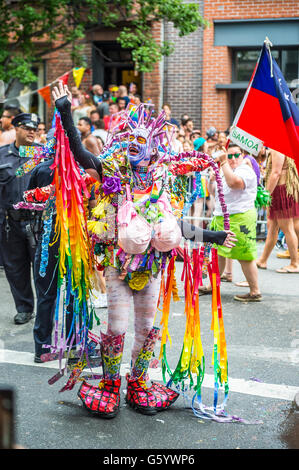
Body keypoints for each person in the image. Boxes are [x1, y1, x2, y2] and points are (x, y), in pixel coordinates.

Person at [48, 82, 236, 419]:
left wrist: (213, 235)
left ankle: (138, 382)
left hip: (150, 267)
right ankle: (109, 385)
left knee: (148, 328)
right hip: (118, 268)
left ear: (152, 147)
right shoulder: (114, 172)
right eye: (130, 140)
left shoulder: (161, 180)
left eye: (141, 141)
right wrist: (64, 110)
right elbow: (80, 154)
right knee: (117, 327)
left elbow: (174, 225)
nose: (134, 146)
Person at [202, 143, 261, 302]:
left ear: (242, 155)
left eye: (237, 155)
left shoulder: (245, 170)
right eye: (230, 155)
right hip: (222, 216)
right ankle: (212, 285)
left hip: (240, 217)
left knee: (244, 255)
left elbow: (234, 183)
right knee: (218, 253)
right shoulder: (225, 169)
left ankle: (255, 291)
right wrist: (212, 180)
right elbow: (214, 193)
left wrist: (223, 163)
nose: (233, 158)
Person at [0, 112, 41, 324]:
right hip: (10, 222)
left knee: (42, 268)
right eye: (27, 127)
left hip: (38, 222)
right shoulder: (2, 155)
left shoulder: (43, 155)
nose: (32, 131)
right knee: (15, 268)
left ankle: (44, 309)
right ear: (16, 128)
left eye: (35, 127)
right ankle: (24, 307)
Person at [256, 150, 299, 273]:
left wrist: (266, 194)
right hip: (281, 189)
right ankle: (262, 260)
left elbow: (276, 173)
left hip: (281, 190)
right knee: (272, 227)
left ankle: (295, 263)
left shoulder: (278, 147)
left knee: (287, 228)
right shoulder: (281, 145)